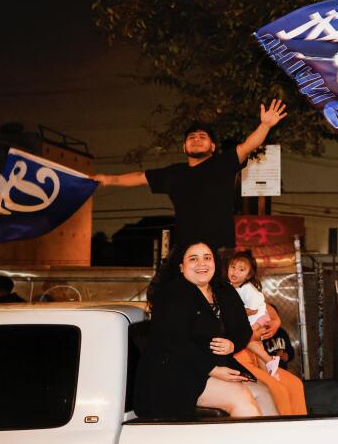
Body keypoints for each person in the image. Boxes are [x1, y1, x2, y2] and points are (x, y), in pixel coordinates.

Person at [93, 99, 287, 251]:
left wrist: (266, 125)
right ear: (184, 147)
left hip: (219, 248)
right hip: (186, 250)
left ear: (212, 146)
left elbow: (248, 145)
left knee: (218, 298)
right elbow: (139, 176)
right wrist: (108, 179)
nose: (196, 140)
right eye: (191, 138)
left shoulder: (222, 164)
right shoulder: (174, 173)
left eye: (202, 137)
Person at [134, 242, 263, 419]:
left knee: (264, 393)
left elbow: (243, 329)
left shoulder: (224, 291)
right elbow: (174, 342)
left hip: (212, 367)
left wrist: (233, 344)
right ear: (181, 267)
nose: (202, 263)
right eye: (193, 259)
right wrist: (212, 369)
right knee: (241, 397)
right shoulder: (171, 295)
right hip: (172, 374)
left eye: (207, 258)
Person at [226, 251, 308, 415]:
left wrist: (275, 319)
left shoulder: (242, 288)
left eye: (241, 269)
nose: (235, 272)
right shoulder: (222, 289)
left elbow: (261, 305)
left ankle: (298, 434)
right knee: (277, 389)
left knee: (295, 384)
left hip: (251, 352)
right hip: (236, 356)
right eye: (232, 267)